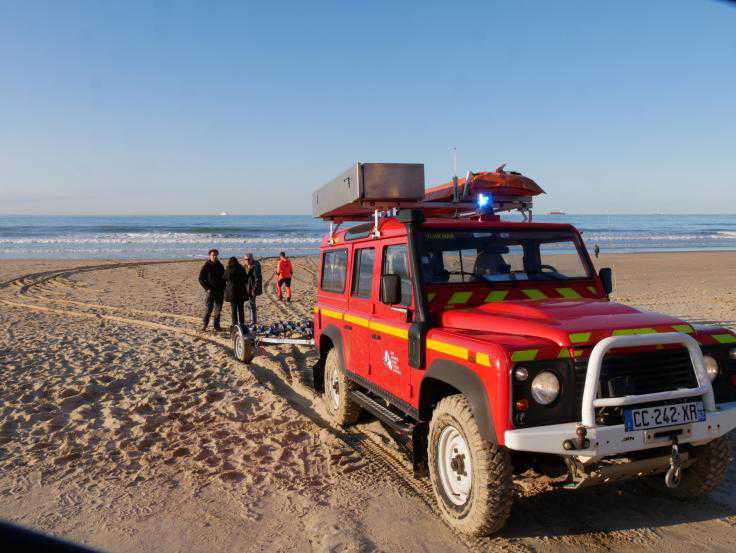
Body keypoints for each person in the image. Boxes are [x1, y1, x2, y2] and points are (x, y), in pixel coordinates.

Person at [198, 248, 225, 331]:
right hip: (210, 291)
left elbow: (224, 278)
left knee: (218, 309)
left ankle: (216, 326)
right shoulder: (206, 266)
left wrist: (224, 288)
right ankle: (205, 325)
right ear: (210, 256)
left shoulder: (220, 265)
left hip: (219, 291)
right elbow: (201, 279)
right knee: (209, 308)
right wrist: (207, 288)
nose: (215, 256)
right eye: (213, 255)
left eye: (216, 255)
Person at [224, 256, 248, 327]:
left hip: (232, 292)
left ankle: (234, 323)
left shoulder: (229, 269)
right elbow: (246, 279)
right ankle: (242, 323)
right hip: (241, 291)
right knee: (241, 309)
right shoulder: (241, 268)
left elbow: (224, 278)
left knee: (234, 309)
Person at [243, 252, 263, 324]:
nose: (247, 261)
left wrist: (254, 290)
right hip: (247, 288)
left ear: (252, 259)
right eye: (245, 259)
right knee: (249, 304)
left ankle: (253, 321)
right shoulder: (245, 266)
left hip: (252, 288)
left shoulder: (256, 266)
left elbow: (257, 279)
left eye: (248, 259)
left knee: (252, 305)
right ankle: (252, 320)